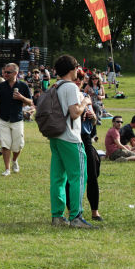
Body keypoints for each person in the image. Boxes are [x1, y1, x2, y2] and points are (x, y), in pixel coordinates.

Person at [47, 55, 96, 229]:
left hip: (56, 136)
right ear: (71, 69)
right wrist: (85, 101)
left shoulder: (56, 86)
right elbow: (75, 112)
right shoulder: (70, 87)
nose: (77, 70)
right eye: (76, 67)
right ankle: (76, 216)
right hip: (70, 137)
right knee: (78, 177)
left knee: (58, 178)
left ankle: (57, 216)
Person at [0, 63, 33, 176]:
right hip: (3, 119)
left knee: (18, 145)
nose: (5, 74)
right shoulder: (0, 86)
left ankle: (14, 160)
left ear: (15, 73)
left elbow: (30, 102)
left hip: (17, 119)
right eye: (4, 72)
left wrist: (21, 97)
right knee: (5, 144)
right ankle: (7, 169)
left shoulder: (23, 86)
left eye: (8, 72)